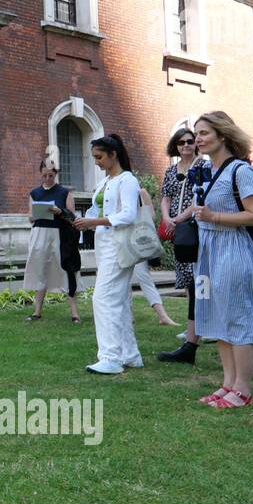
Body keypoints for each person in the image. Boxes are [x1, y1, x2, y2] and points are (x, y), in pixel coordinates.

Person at [184, 111, 253, 408]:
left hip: (234, 251)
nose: (198, 138)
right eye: (196, 133)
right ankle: (228, 384)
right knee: (219, 318)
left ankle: (243, 390)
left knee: (238, 319)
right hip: (209, 255)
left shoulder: (240, 171)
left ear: (222, 135)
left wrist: (215, 216)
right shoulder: (207, 171)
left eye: (205, 132)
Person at [73, 134, 143, 374]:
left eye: (100, 157)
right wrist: (84, 222)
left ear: (113, 154)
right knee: (119, 300)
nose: (97, 162)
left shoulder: (127, 180)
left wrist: (96, 220)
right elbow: (96, 211)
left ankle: (110, 357)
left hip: (118, 245)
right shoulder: (104, 183)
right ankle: (130, 355)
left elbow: (128, 215)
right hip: (104, 244)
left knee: (102, 298)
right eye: (94, 158)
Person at [158, 128, 203, 362]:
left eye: (189, 141)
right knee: (186, 277)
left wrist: (180, 218)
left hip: (193, 227)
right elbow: (166, 197)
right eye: (181, 142)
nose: (186, 145)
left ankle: (200, 326)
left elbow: (198, 201)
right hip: (177, 228)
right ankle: (194, 327)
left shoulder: (202, 166)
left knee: (199, 278)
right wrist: (167, 218)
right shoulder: (171, 170)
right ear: (175, 146)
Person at [23, 158, 81, 323]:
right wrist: (37, 213)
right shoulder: (35, 193)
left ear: (56, 174)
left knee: (67, 269)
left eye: (50, 175)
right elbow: (30, 218)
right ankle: (37, 311)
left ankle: (75, 313)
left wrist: (59, 212)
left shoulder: (64, 192)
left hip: (60, 234)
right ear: (40, 174)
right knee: (40, 270)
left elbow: (72, 217)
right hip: (40, 234)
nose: (47, 179)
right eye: (44, 175)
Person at [132, 186, 179, 327]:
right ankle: (128, 315)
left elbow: (151, 216)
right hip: (119, 240)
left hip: (137, 240)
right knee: (123, 280)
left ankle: (163, 316)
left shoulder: (140, 191)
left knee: (143, 277)